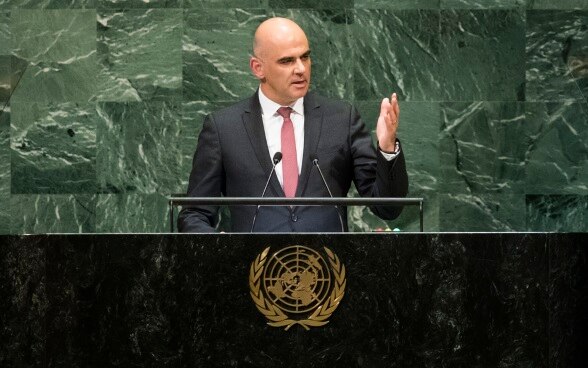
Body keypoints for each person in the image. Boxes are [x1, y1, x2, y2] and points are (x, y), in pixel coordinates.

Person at [178, 17, 408, 233]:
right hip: (252, 269)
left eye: (305, 57)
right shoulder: (224, 127)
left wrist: (387, 148)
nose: (300, 69)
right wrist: (219, 247)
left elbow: (387, 207)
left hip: (328, 269)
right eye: (287, 61)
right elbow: (195, 213)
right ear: (258, 68)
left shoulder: (341, 119)